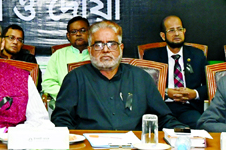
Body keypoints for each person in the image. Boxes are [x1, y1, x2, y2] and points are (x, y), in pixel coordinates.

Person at [52, 20, 186, 130]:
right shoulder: (75, 78)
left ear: (121, 48)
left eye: (112, 44)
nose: (105, 50)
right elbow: (61, 120)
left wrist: (182, 132)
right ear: (90, 50)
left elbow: (163, 118)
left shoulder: (141, 78)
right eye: (98, 45)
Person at [143, 15, 207, 128]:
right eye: (171, 30)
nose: (177, 34)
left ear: (184, 31)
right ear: (163, 36)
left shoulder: (197, 55)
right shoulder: (151, 56)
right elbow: (144, 87)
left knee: (199, 124)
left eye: (179, 29)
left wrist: (194, 93)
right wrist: (166, 92)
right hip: (162, 107)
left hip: (188, 108)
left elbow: (210, 85)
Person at [42, 17, 90, 99]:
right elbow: (48, 83)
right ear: (68, 35)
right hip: (66, 103)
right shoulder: (58, 55)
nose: (78, 34)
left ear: (90, 32)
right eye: (74, 32)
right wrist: (67, 94)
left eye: (82, 30)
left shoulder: (99, 54)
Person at [0, 24, 42, 92]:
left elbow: (36, 86)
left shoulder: (28, 60)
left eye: (19, 40)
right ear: (2, 40)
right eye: (11, 38)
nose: (15, 42)